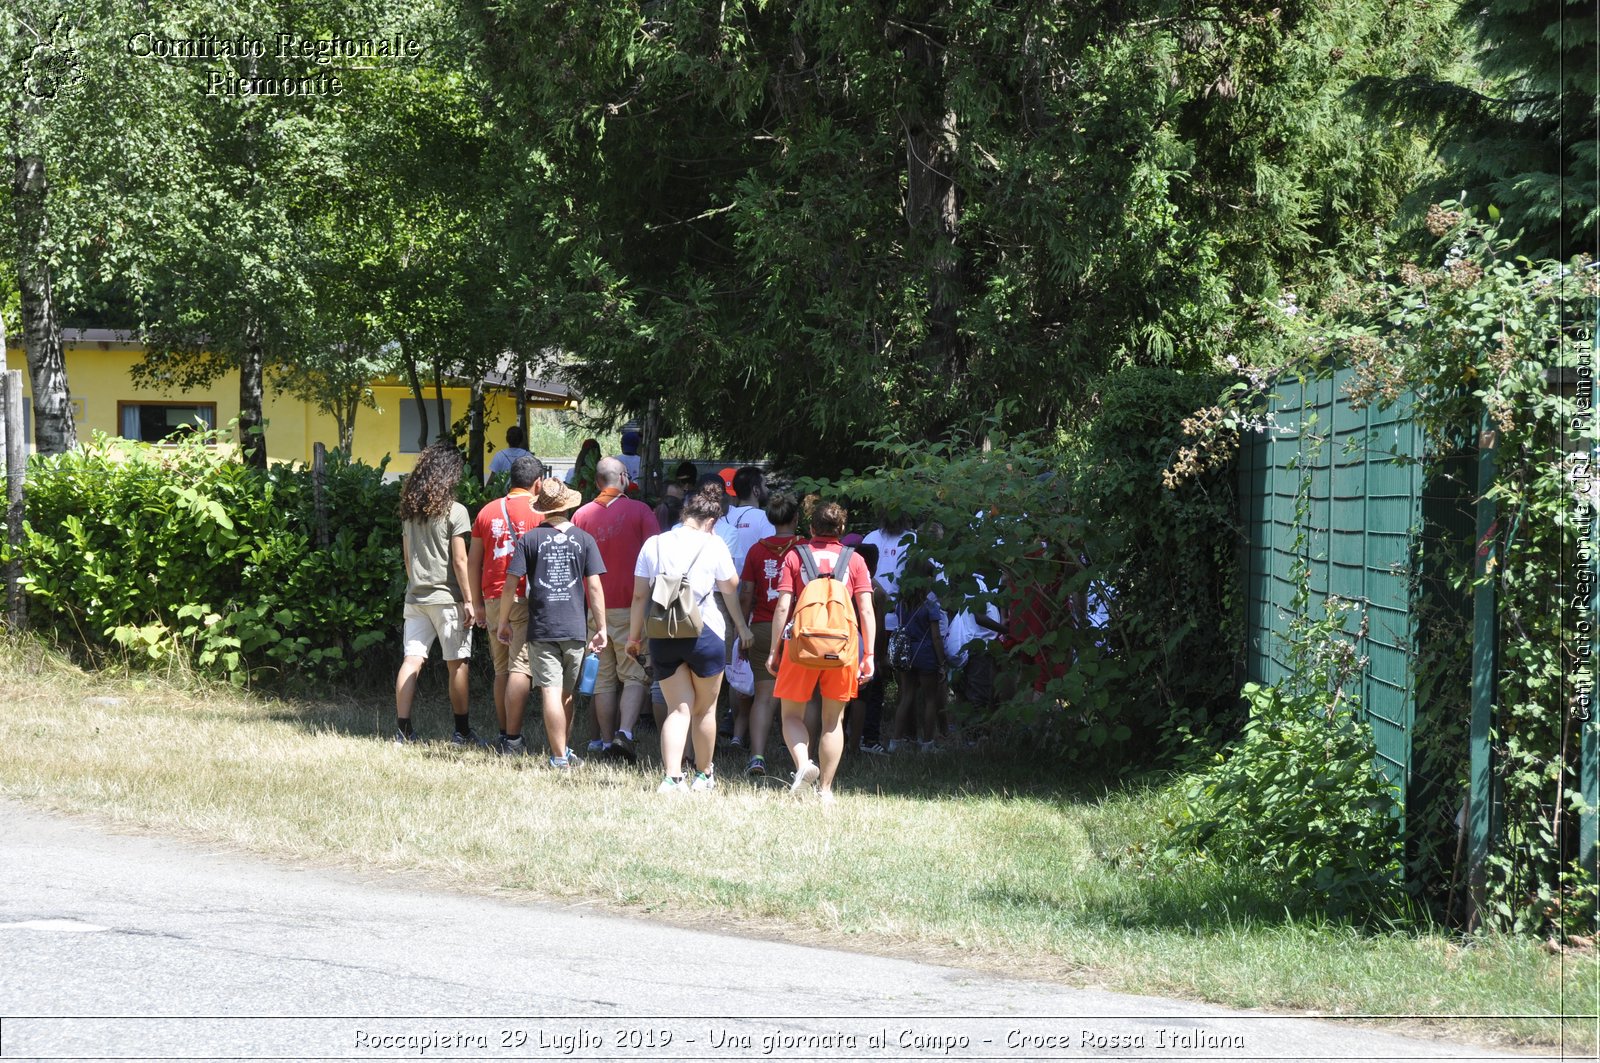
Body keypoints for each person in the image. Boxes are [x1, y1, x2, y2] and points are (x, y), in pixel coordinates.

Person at [626, 481, 753, 794]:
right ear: (711, 522)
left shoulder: (654, 544)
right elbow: (731, 585)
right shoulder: (714, 544)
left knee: (677, 709)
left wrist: (633, 637)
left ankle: (672, 777)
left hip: (663, 631)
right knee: (704, 710)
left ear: (683, 514)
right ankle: (704, 774)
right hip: (705, 632)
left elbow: (639, 596)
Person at [765, 500, 876, 804]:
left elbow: (784, 606)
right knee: (833, 721)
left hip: (801, 645)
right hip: (842, 647)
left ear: (811, 528)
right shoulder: (855, 561)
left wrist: (775, 650)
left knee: (790, 715)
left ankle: (803, 765)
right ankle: (825, 790)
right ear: (841, 530)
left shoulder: (795, 556)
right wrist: (869, 656)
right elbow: (866, 610)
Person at [498, 479, 608, 768]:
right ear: (569, 505)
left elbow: (511, 584)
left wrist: (504, 621)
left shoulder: (529, 540)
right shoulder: (585, 540)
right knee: (566, 694)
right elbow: (594, 588)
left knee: (549, 690)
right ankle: (562, 751)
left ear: (543, 510)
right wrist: (602, 627)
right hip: (574, 627)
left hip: (541, 626)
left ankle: (560, 754)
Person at [394, 442, 482, 746]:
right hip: (447, 599)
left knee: (412, 659)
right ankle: (461, 732)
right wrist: (469, 600)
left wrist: (417, 583)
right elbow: (460, 561)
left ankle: (402, 731)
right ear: (450, 474)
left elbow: (407, 559)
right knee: (457, 663)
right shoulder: (456, 511)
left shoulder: (410, 512)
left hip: (416, 596)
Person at [572, 457, 659, 762]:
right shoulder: (641, 511)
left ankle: (606, 742)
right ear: (623, 477)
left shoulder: (580, 516)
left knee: (604, 679)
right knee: (635, 675)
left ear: (596, 482)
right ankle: (626, 733)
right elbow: (657, 559)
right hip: (632, 607)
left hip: (593, 610)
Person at [467, 455, 544, 754]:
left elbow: (474, 562)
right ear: (538, 483)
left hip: (492, 596)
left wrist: (478, 604)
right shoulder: (540, 512)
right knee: (520, 667)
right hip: (523, 597)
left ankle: (503, 733)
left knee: (501, 668)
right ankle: (513, 739)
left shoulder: (486, 512)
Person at [735, 491, 803, 776]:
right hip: (801, 629)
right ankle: (804, 759)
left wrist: (743, 630)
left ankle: (757, 756)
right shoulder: (804, 549)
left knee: (764, 696)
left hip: (762, 627)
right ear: (796, 518)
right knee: (802, 698)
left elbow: (746, 594)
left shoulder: (756, 551)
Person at [890, 555, 949, 752]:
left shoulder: (901, 605)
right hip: (925, 655)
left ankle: (895, 741)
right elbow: (936, 637)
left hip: (906, 654)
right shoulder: (931, 605)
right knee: (930, 699)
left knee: (906, 696)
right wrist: (942, 662)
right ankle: (927, 743)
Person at [714, 466, 775, 573]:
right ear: (756, 490)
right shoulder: (764, 518)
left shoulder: (721, 518)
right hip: (752, 585)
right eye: (765, 485)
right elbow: (770, 556)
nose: (767, 489)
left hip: (724, 584)